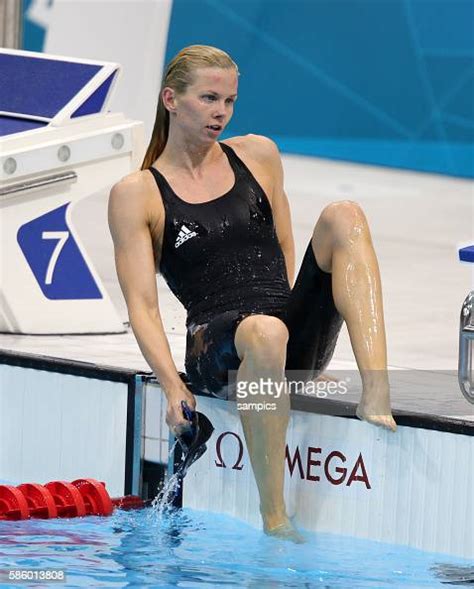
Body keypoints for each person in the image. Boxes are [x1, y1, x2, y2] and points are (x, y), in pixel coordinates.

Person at [108, 45, 397, 541]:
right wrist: (173, 385)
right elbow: (142, 304)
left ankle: (377, 391)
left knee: (344, 214)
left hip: (279, 336)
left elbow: (286, 247)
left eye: (230, 101)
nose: (221, 112)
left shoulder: (258, 154)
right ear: (171, 100)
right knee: (263, 331)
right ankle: (275, 516)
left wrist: (284, 331)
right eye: (208, 98)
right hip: (216, 347)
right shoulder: (139, 192)